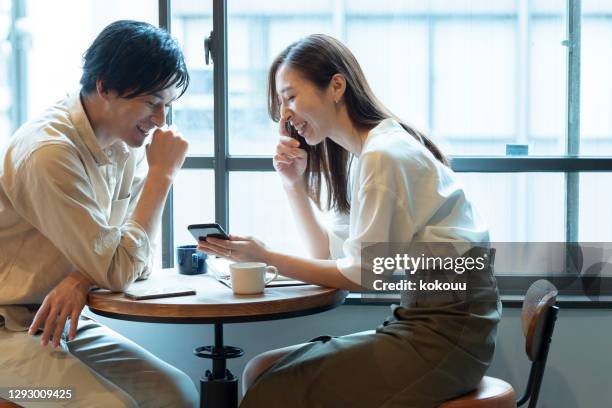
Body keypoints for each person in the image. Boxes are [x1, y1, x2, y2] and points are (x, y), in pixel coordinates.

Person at [197, 34, 501, 407]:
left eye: (290, 97)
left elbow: (364, 275)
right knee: (260, 370)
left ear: (336, 86)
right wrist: (294, 184)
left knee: (273, 390)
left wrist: (266, 256)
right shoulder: (366, 155)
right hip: (421, 323)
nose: (284, 116)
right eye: (280, 104)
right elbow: (326, 252)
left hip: (447, 336)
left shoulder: (383, 155)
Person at [0, 20, 199, 407]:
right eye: (151, 103)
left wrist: (80, 278)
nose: (161, 121)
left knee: (176, 395)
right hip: (5, 329)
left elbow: (136, 262)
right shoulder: (50, 154)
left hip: (54, 319)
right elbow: (119, 266)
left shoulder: (123, 144)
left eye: (167, 106)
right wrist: (162, 175)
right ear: (104, 87)